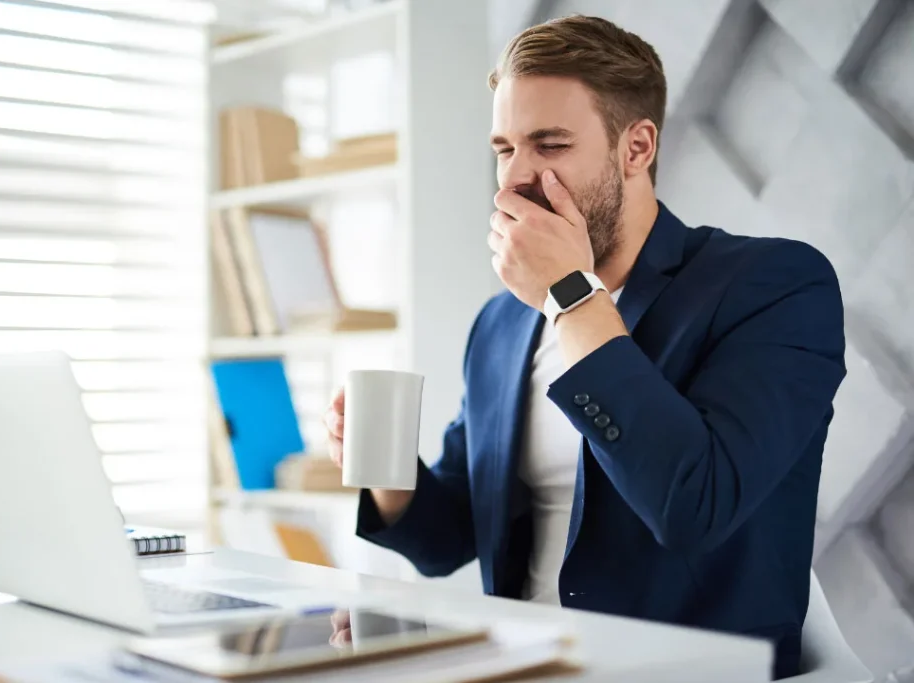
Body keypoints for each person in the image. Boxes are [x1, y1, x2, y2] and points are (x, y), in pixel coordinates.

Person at [325, 15, 845, 679]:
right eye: (504, 148)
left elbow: (695, 504)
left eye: (550, 144)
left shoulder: (771, 286)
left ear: (636, 147)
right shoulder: (502, 325)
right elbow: (450, 536)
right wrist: (383, 468)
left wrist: (571, 295)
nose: (514, 178)